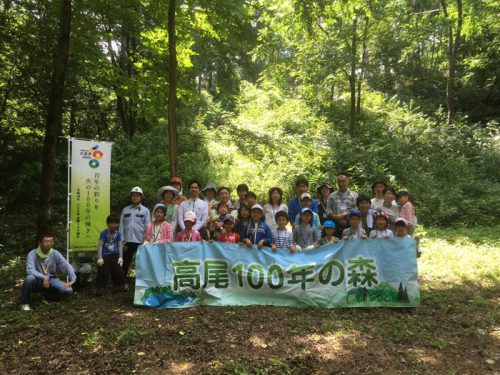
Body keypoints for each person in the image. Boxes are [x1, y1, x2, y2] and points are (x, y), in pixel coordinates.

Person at [19, 232, 76, 311]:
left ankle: (47, 295)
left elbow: (65, 265)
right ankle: (24, 303)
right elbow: (30, 270)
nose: (49, 243)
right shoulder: (32, 254)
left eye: (51, 241)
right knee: (29, 278)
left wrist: (73, 278)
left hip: (50, 280)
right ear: (40, 243)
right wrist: (43, 277)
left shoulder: (55, 253)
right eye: (46, 241)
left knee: (68, 290)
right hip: (37, 279)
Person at [119, 186, 151, 278]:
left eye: (137, 195)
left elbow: (148, 227)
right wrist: (121, 240)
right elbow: (121, 226)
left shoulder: (145, 210)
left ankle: (142, 280)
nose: (135, 197)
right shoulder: (125, 209)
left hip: (140, 241)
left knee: (142, 261)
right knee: (125, 261)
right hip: (127, 241)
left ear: (141, 197)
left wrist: (146, 240)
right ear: (131, 197)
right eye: (133, 195)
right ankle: (122, 281)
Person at [96, 215, 128, 295]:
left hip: (115, 255)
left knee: (118, 271)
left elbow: (120, 246)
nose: (114, 225)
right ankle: (100, 288)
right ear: (108, 223)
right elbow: (100, 245)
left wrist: (121, 257)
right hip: (105, 255)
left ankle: (122, 286)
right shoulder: (103, 233)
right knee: (103, 272)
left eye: (115, 223)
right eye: (111, 223)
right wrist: (99, 258)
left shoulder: (118, 234)